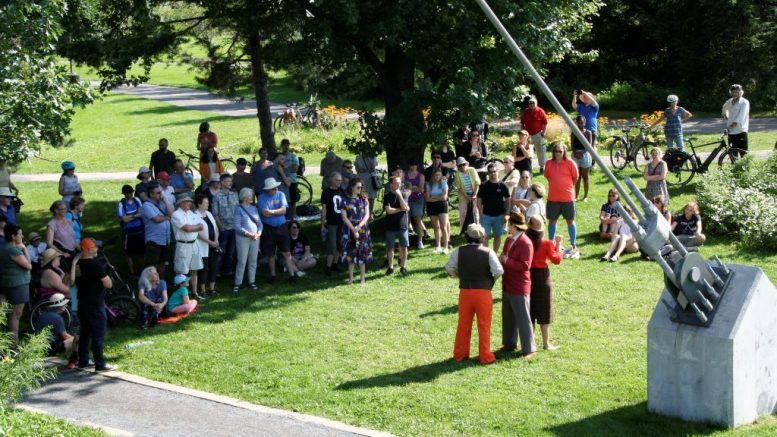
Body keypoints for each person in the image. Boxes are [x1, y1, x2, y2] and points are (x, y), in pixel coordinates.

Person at [444, 223, 504, 365]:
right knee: (484, 325)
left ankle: (460, 354)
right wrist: (490, 281)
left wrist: (459, 276)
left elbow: (449, 268)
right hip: (483, 293)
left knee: (463, 324)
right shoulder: (488, 252)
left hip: (465, 291)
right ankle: (485, 356)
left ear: (466, 237)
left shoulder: (459, 251)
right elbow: (499, 271)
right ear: (482, 238)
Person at [499, 213, 537, 358]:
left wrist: (506, 261)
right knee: (508, 316)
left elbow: (525, 266)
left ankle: (529, 349)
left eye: (509, 224)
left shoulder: (526, 243)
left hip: (519, 286)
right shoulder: (509, 240)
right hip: (508, 283)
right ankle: (509, 343)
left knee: (523, 318)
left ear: (514, 227)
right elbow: (503, 256)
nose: (507, 227)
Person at [75, 238, 116, 372]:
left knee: (85, 334)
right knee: (98, 335)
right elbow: (108, 284)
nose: (97, 249)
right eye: (94, 247)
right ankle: (100, 364)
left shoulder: (77, 265)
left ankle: (83, 361)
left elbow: (74, 280)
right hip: (96, 305)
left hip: (82, 304)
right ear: (87, 250)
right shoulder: (96, 265)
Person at [526, 215, 562, 351]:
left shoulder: (525, 240)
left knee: (530, 310)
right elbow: (556, 260)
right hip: (542, 278)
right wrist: (558, 244)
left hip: (528, 276)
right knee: (544, 311)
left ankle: (531, 341)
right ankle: (546, 343)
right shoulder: (547, 243)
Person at [258, 178, 299, 283]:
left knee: (287, 253)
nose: (276, 189)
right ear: (268, 189)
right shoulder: (262, 197)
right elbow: (264, 213)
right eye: (273, 188)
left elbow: (284, 210)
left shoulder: (281, 194)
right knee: (271, 254)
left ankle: (292, 275)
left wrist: (272, 212)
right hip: (268, 229)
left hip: (282, 227)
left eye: (276, 187)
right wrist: (277, 212)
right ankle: (273, 276)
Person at [545, 142, 580, 259]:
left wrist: (568, 187)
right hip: (553, 198)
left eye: (560, 151)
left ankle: (573, 244)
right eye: (556, 151)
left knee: (570, 221)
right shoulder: (548, 163)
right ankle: (551, 243)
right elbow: (547, 176)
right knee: (552, 221)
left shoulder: (570, 163)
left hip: (568, 198)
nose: (558, 153)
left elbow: (575, 177)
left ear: (564, 152)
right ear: (553, 152)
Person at [0, 223, 32, 346]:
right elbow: (28, 265)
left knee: (10, 315)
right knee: (16, 315)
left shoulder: (4, 248)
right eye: (20, 234)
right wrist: (24, 249)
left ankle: (9, 343)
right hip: (17, 285)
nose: (22, 236)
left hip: (9, 283)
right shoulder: (12, 250)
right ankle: (14, 345)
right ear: (13, 236)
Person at [171, 196, 204, 300]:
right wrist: (195, 227)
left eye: (190, 202)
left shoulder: (191, 213)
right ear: (181, 203)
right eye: (187, 202)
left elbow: (201, 226)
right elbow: (187, 228)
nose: (190, 204)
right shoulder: (176, 215)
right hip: (183, 245)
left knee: (194, 269)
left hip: (194, 243)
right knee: (182, 271)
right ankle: (183, 295)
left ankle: (194, 293)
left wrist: (194, 227)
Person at [340, 178, 372, 284]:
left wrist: (359, 226)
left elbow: (367, 215)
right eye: (358, 187)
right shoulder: (345, 200)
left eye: (361, 187)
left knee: (362, 253)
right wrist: (353, 229)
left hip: (362, 228)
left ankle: (362, 278)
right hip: (349, 229)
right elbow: (344, 217)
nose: (360, 189)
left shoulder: (364, 199)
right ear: (351, 187)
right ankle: (351, 278)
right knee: (350, 253)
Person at [34, 293, 78, 368]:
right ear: (59, 306)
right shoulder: (57, 318)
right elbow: (65, 336)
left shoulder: (43, 314)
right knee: (78, 340)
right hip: (49, 348)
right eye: (64, 304)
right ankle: (74, 360)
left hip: (39, 346)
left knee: (71, 335)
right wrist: (76, 339)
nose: (66, 305)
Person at [233, 188, 262, 292]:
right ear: (245, 197)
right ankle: (237, 283)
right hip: (243, 238)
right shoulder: (238, 209)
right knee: (242, 261)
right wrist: (248, 233)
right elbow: (236, 226)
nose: (252, 198)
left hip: (255, 238)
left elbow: (259, 223)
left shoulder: (254, 208)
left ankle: (252, 281)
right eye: (250, 196)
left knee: (253, 260)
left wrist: (259, 233)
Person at [142, 184, 173, 279]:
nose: (161, 194)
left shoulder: (161, 204)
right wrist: (167, 217)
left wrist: (165, 200)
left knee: (162, 262)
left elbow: (172, 212)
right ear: (151, 194)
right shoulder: (146, 206)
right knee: (152, 265)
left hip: (164, 239)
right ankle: (150, 285)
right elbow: (156, 219)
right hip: (154, 240)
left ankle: (161, 281)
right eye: (159, 193)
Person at [477, 164, 510, 252]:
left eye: (494, 171)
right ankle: (486, 254)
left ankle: (494, 254)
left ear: (497, 172)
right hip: (486, 216)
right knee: (485, 236)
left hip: (499, 216)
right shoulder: (484, 185)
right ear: (488, 173)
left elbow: (508, 200)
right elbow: (479, 200)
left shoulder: (503, 185)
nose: (493, 173)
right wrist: (480, 214)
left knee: (497, 236)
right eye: (491, 172)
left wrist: (507, 214)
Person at [212, 173, 239, 277]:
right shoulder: (216, 197)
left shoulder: (234, 195)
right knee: (221, 250)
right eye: (228, 181)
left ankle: (228, 270)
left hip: (234, 227)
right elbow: (215, 213)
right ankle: (217, 271)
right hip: (223, 228)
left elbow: (237, 210)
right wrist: (221, 227)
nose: (230, 183)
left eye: (231, 181)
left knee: (231, 250)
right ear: (222, 182)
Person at [383, 176, 410, 275]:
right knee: (390, 248)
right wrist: (400, 209)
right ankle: (390, 266)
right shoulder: (387, 196)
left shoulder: (404, 194)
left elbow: (406, 207)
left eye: (399, 183)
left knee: (404, 247)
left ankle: (403, 266)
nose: (399, 184)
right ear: (391, 184)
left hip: (402, 225)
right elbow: (389, 211)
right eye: (396, 183)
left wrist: (399, 195)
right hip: (390, 226)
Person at [195, 194, 219, 296]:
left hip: (213, 245)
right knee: (203, 268)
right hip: (203, 245)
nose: (208, 204)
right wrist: (210, 242)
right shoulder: (195, 216)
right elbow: (197, 234)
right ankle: (202, 289)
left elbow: (216, 227)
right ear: (199, 204)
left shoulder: (209, 213)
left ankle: (212, 288)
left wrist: (216, 240)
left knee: (213, 266)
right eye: (206, 203)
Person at [320, 172, 344, 276]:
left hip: (342, 222)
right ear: (332, 180)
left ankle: (335, 264)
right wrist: (322, 224)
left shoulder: (342, 192)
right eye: (337, 180)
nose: (339, 182)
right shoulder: (326, 192)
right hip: (331, 223)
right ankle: (328, 266)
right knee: (331, 245)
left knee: (339, 244)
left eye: (340, 180)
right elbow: (324, 209)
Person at [117, 184, 144, 275]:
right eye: (127, 193)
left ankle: (141, 269)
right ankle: (132, 271)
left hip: (139, 230)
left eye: (130, 193)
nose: (129, 195)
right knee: (129, 253)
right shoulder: (121, 204)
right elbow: (123, 219)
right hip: (129, 232)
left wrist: (130, 216)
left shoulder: (137, 200)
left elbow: (142, 213)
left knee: (141, 251)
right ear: (124, 194)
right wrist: (136, 215)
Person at [520, 97, 548, 173]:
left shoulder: (540, 111)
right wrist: (523, 132)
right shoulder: (526, 111)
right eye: (530, 103)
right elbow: (522, 123)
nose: (532, 104)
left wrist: (544, 132)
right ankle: (529, 167)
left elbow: (545, 123)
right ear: (528, 104)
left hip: (538, 134)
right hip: (528, 135)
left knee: (541, 151)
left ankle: (542, 166)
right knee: (528, 151)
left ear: (536, 104)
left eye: (533, 103)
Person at [425, 168, 450, 254]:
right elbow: (427, 199)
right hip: (432, 206)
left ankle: (446, 247)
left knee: (443, 227)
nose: (437, 177)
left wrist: (433, 198)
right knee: (436, 227)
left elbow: (444, 197)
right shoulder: (429, 184)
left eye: (439, 175)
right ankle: (438, 246)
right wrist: (438, 198)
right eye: (436, 175)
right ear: (433, 175)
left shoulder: (444, 183)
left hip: (442, 206)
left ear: (441, 175)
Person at [453, 157, 481, 234]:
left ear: (466, 164)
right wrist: (467, 196)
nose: (462, 167)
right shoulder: (457, 174)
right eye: (460, 166)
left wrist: (475, 194)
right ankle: (464, 231)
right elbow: (459, 188)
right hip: (463, 196)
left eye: (463, 164)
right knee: (463, 213)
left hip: (474, 195)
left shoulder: (472, 170)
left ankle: (476, 230)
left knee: (475, 213)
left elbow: (477, 183)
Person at [722, 84, 750, 158]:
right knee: (733, 155)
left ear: (741, 92)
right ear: (730, 92)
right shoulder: (730, 101)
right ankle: (734, 169)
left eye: (737, 92)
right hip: (731, 133)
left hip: (741, 131)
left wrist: (729, 127)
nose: (734, 94)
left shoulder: (745, 102)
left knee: (744, 155)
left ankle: (745, 169)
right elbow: (724, 109)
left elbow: (739, 118)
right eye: (733, 92)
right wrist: (725, 115)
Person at [570, 115, 593, 202]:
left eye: (582, 122)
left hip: (585, 154)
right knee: (577, 177)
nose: (580, 124)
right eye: (579, 122)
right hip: (575, 155)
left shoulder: (588, 133)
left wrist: (582, 153)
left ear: (585, 123)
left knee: (585, 177)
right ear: (577, 123)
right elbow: (572, 146)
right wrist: (576, 153)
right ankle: (576, 195)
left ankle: (585, 196)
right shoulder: (574, 133)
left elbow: (589, 145)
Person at [404, 160, 426, 248]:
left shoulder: (421, 176)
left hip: (418, 200)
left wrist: (410, 188)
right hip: (407, 200)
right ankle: (406, 242)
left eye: (414, 164)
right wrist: (414, 188)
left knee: (418, 220)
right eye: (411, 164)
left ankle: (420, 241)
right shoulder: (405, 174)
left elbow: (421, 189)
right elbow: (403, 186)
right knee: (406, 221)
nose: (413, 166)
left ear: (417, 165)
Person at [280, 139, 300, 220]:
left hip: (292, 181)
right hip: (282, 181)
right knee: (283, 199)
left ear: (289, 145)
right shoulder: (279, 156)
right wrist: (288, 167)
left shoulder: (294, 157)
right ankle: (285, 214)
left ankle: (293, 215)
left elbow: (295, 169)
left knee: (293, 199)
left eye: (287, 145)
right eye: (284, 145)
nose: (285, 147)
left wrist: (283, 168)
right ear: (281, 146)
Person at [355, 152, 379, 216]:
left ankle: (370, 213)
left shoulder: (373, 156)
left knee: (371, 198)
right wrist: (366, 169)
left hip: (371, 180)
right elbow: (357, 169)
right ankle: (363, 213)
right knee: (362, 197)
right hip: (362, 180)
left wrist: (368, 159)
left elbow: (373, 167)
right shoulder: (358, 157)